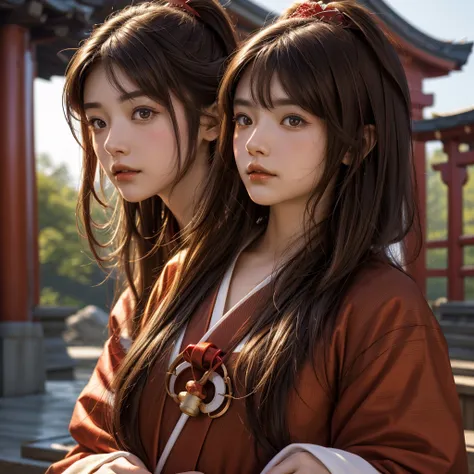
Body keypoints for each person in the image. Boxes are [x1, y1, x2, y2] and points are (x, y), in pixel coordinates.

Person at [51, 1, 468, 473]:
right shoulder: (174, 277)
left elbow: (419, 459)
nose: (254, 143)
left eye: (292, 120)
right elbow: (90, 442)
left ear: (358, 143)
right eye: (245, 118)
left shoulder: (381, 304)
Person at [45, 1, 237, 473]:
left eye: (143, 111)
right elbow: (87, 447)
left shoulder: (308, 275)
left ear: (213, 119)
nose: (112, 143)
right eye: (98, 121)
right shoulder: (141, 297)